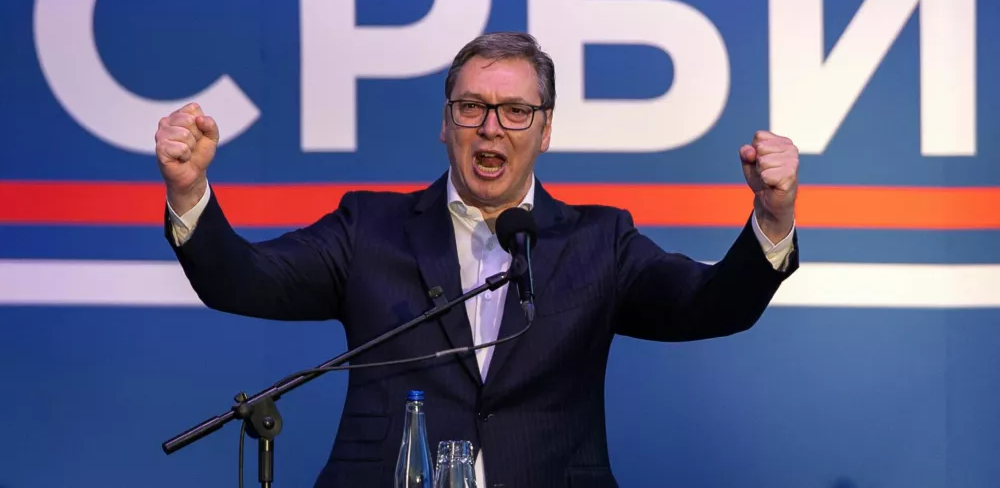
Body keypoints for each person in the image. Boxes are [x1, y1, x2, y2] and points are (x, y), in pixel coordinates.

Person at [155, 31, 800, 488]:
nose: (491, 127)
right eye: (472, 107)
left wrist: (772, 220)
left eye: (516, 111)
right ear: (446, 123)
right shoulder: (369, 229)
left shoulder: (598, 242)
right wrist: (189, 192)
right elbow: (244, 281)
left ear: (545, 131)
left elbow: (710, 304)